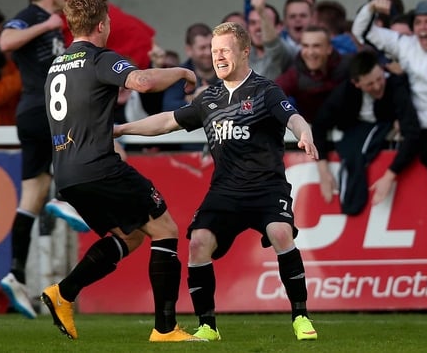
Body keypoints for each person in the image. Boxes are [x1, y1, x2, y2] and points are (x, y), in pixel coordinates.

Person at [114, 21, 320, 342]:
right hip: (225, 191)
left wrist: (304, 132)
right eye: (213, 52)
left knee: (280, 232)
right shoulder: (209, 98)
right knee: (198, 243)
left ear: (245, 52)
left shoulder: (266, 91)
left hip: (267, 188)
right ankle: (208, 325)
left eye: (224, 50)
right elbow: (169, 121)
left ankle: (301, 317)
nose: (218, 57)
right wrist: (122, 129)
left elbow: (291, 116)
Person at [41, 0, 202, 342]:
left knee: (128, 237)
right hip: (99, 167)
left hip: (67, 174)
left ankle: (63, 293)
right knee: (166, 230)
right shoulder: (99, 58)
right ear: (102, 25)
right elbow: (142, 82)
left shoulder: (57, 65)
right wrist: (182, 71)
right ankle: (165, 329)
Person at [0, 0, 88, 319]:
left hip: (33, 113)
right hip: (44, 108)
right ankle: (66, 200)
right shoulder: (33, 17)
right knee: (82, 146)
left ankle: (15, 275)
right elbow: (6, 41)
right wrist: (47, 26)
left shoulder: (50, 19)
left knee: (30, 197)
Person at [312, 51, 420, 215]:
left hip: (385, 130)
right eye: (370, 84)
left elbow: (413, 132)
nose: (377, 86)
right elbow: (319, 125)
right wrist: (322, 168)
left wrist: (389, 176)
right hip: (354, 130)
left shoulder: (395, 85)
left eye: (379, 79)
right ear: (357, 83)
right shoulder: (344, 92)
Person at [351, 0, 427, 189]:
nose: (423, 28)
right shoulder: (404, 44)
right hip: (421, 131)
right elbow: (361, 32)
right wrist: (370, 8)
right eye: (418, 22)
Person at [274, 25, 350, 122]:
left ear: (329, 49)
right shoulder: (295, 75)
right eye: (305, 46)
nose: (310, 52)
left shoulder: (347, 66)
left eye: (316, 46)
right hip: (311, 130)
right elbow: (271, 94)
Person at [162, 23, 218, 111]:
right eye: (202, 48)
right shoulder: (180, 74)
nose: (208, 52)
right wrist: (196, 99)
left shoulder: (227, 68)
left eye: (211, 46)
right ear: (189, 50)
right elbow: (168, 107)